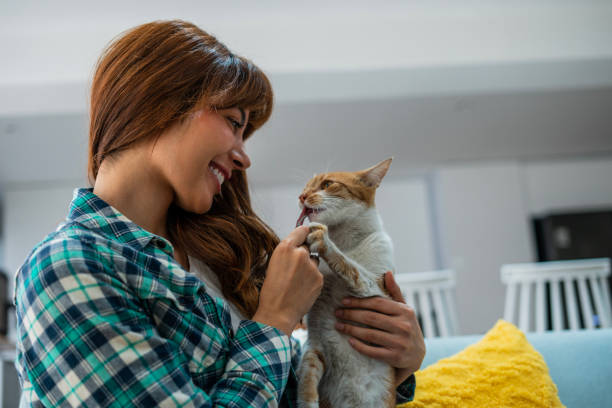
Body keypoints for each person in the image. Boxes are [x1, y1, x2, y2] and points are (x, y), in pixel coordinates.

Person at [14, 19, 425, 407]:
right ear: (156, 101)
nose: (245, 157)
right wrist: (275, 319)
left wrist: (395, 364)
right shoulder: (65, 267)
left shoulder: (219, 260)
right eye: (232, 121)